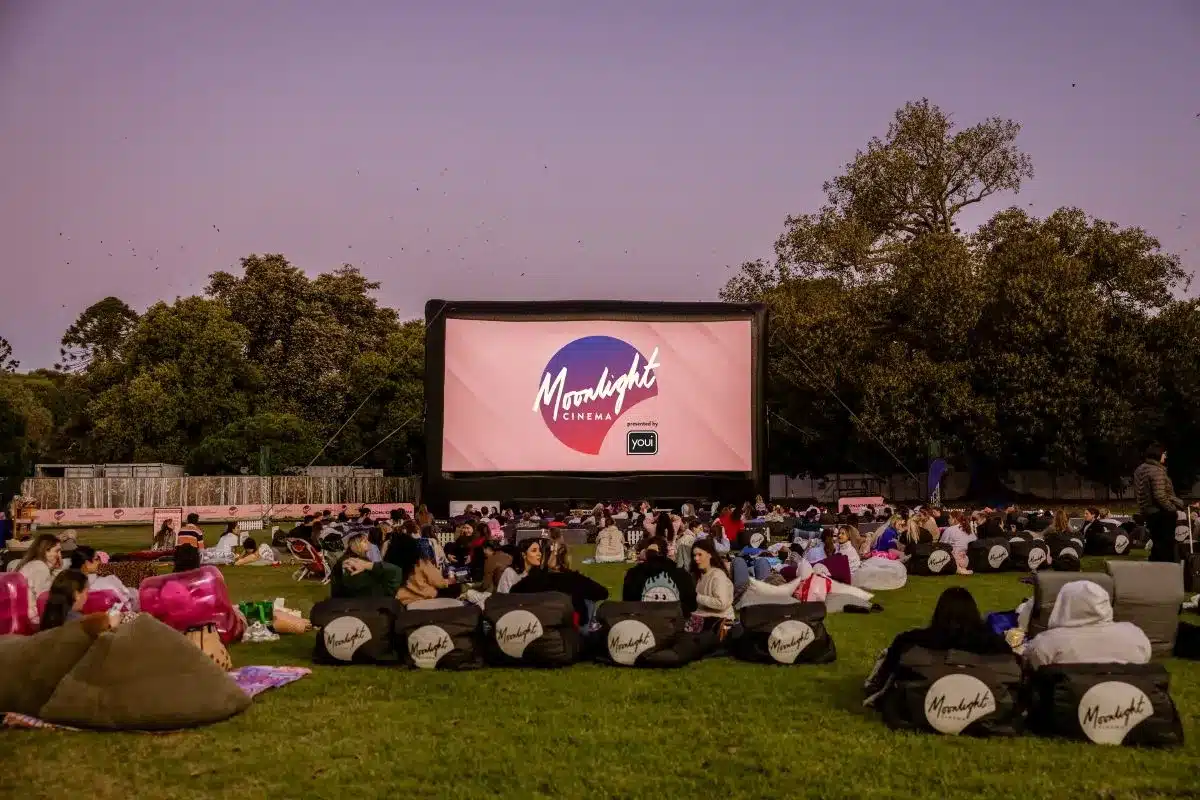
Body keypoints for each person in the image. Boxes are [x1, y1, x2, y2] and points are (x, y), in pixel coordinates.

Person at [864, 587, 1014, 706]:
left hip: (923, 701)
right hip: (980, 701)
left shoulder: (911, 640)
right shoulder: (996, 645)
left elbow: (884, 677)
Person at [1024, 580, 1152, 667]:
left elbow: (1032, 667)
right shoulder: (1134, 634)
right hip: (1130, 698)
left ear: (1064, 604)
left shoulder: (1047, 642)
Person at [1133, 443, 1194, 563]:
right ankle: (1167, 569)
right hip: (1161, 513)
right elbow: (1160, 495)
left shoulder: (1140, 469)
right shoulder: (1156, 470)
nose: (1165, 456)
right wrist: (1172, 509)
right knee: (1166, 546)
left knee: (1157, 544)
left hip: (1148, 511)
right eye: (1164, 453)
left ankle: (1156, 568)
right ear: (1157, 454)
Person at [623, 536, 698, 614]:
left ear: (645, 553)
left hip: (643, 620)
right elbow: (692, 606)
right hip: (674, 620)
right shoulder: (682, 575)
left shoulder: (633, 574)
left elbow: (627, 604)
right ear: (667, 553)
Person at [388, 533, 455, 607]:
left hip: (402, 601)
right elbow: (438, 582)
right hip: (425, 598)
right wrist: (449, 581)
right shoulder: (420, 563)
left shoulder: (389, 565)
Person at [333, 533, 406, 599]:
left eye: (367, 540)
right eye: (365, 541)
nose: (368, 543)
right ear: (357, 544)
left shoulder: (354, 558)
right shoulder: (355, 561)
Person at [688, 537, 734, 630]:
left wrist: (697, 597)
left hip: (719, 623)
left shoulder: (718, 576)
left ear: (710, 555)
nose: (696, 558)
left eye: (700, 555)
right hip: (703, 619)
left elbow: (722, 603)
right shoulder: (699, 575)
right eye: (694, 555)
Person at [16, 533, 62, 617]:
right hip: (31, 617)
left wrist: (57, 567)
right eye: (57, 551)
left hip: (26, 613)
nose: (60, 555)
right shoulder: (40, 568)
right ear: (46, 551)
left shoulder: (34, 564)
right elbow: (42, 601)